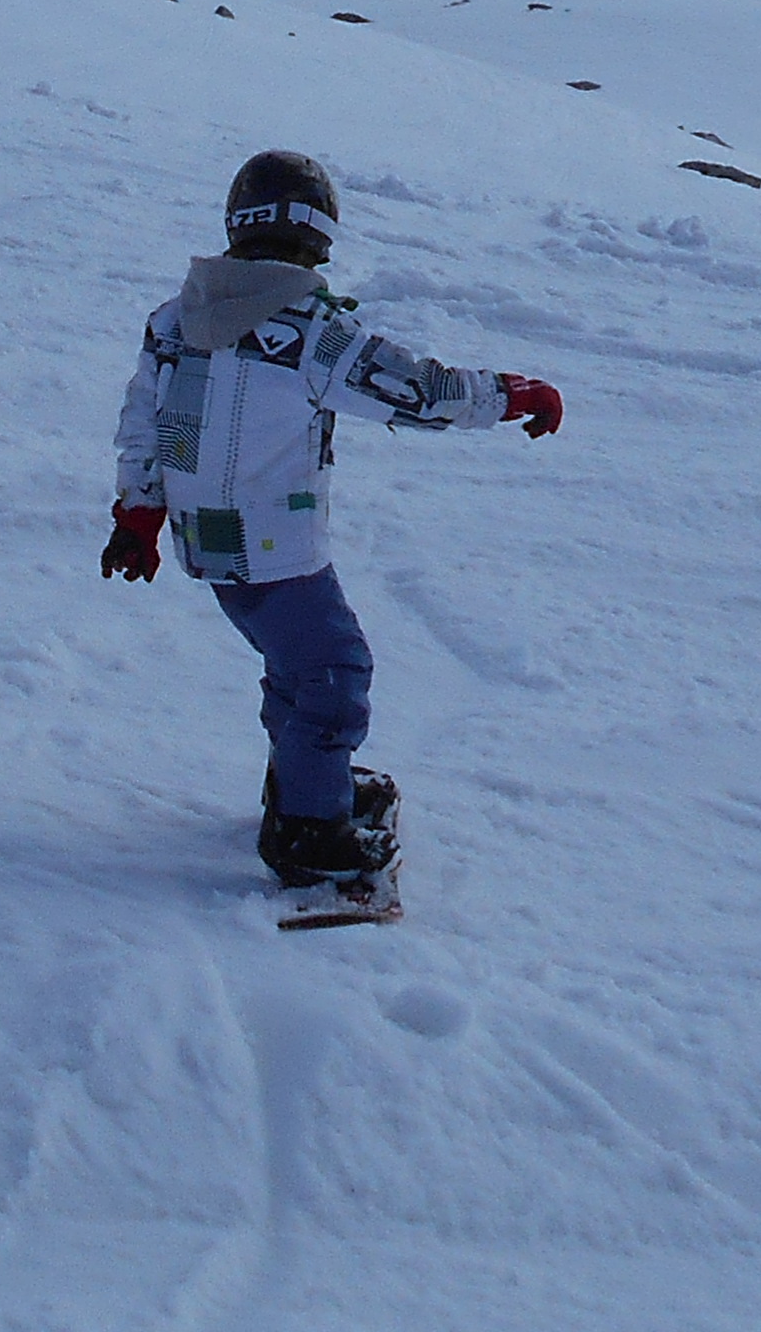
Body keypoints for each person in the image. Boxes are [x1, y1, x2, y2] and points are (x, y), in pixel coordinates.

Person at [100, 149, 560, 885]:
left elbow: (145, 424)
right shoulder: (310, 333)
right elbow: (417, 390)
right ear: (317, 234)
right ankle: (311, 832)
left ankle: (301, 786)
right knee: (334, 672)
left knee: (295, 666)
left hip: (209, 546)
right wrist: (510, 395)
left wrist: (138, 513)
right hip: (276, 545)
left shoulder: (176, 321)